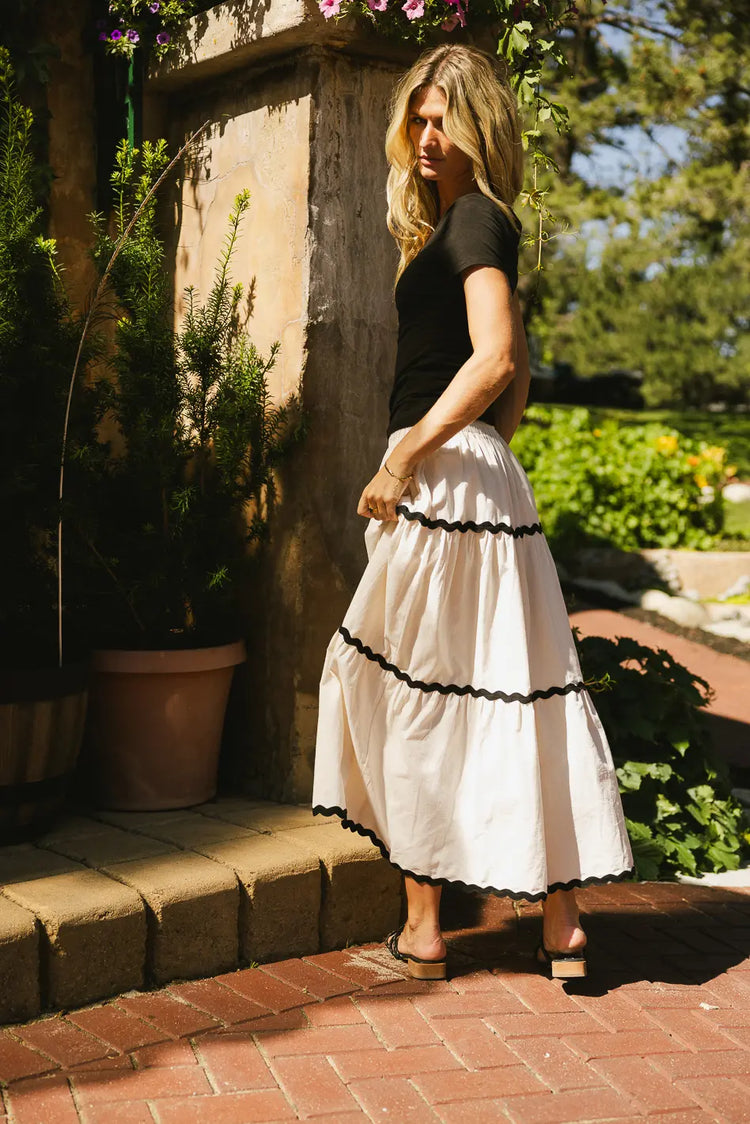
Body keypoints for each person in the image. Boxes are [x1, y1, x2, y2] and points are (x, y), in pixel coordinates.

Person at [311, 43, 634, 981]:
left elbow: (493, 359)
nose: (425, 133)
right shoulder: (470, 224)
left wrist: (413, 450)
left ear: (481, 124)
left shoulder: (472, 225)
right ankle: (562, 928)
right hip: (477, 476)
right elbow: (518, 370)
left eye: (443, 117)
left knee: (416, 684)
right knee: (513, 683)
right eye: (416, 116)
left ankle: (423, 930)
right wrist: (487, 451)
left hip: (443, 474)